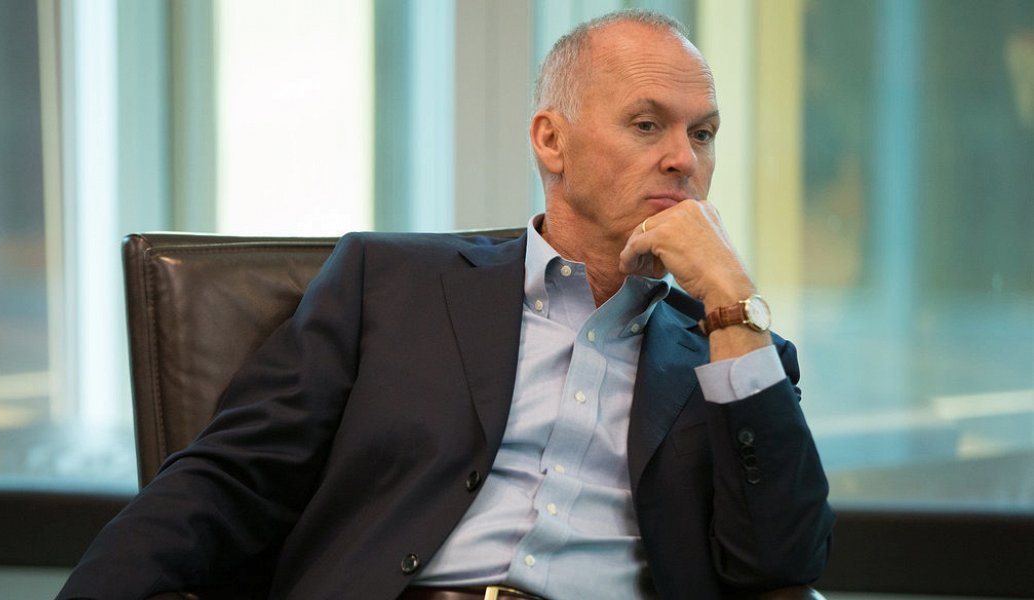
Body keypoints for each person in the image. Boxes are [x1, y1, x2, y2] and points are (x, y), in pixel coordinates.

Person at [58, 9, 833, 600]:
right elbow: (231, 480)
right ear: (551, 141)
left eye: (704, 133)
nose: (684, 159)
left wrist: (732, 305)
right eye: (647, 124)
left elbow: (782, 562)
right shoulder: (389, 283)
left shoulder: (734, 355)